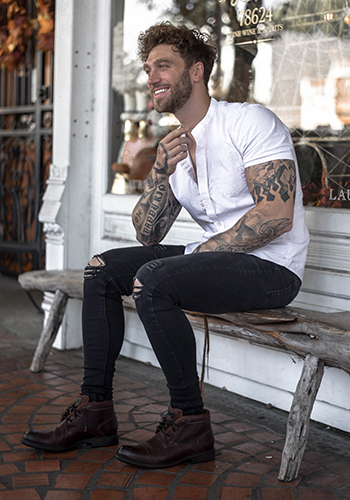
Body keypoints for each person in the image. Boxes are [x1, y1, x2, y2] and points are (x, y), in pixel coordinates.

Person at [21, 22, 309, 468]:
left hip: (271, 269)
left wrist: (194, 256)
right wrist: (159, 170)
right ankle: (94, 412)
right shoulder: (174, 145)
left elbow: (275, 216)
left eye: (163, 65)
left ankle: (190, 423)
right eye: (148, 67)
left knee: (154, 281)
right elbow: (148, 233)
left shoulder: (248, 122)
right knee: (101, 269)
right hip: (211, 259)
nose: (151, 76)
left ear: (196, 71)